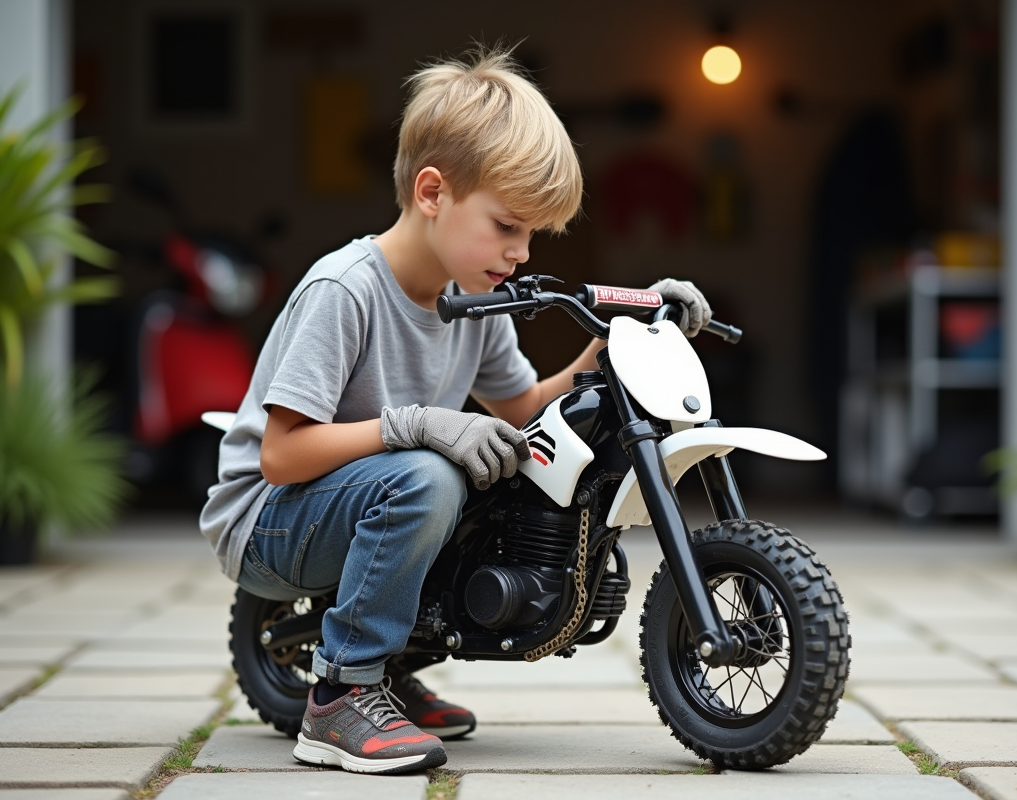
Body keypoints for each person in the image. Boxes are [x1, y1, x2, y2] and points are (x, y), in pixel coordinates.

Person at [199, 45, 713, 775]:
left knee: (490, 475)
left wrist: (620, 335)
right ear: (433, 192)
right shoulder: (345, 290)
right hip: (267, 520)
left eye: (532, 235)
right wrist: (417, 424)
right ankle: (341, 694)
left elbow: (526, 405)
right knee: (432, 477)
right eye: (506, 226)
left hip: (359, 498)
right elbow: (280, 456)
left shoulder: (475, 303)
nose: (521, 253)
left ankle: (391, 669)